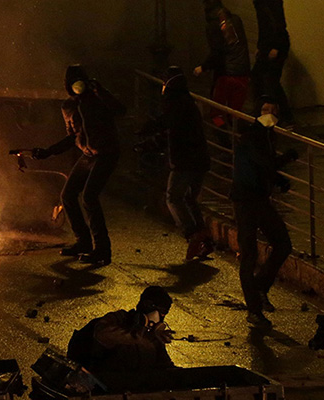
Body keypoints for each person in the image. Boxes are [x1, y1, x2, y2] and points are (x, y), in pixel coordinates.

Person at [32, 65, 126, 266]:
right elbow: (72, 137)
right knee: (67, 195)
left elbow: (121, 110)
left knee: (90, 197)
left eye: (81, 82)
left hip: (106, 153)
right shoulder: (68, 107)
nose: (78, 87)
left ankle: (102, 249)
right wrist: (49, 151)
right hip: (88, 155)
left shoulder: (98, 99)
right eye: (74, 83)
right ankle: (83, 242)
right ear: (68, 86)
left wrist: (101, 91)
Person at [231, 96, 295, 328]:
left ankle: (260, 288)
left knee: (283, 244)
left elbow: (264, 163)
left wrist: (279, 173)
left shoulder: (267, 135)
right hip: (246, 201)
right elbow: (261, 162)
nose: (267, 113)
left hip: (258, 199)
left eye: (272, 109)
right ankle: (254, 310)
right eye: (264, 109)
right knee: (248, 255)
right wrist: (281, 172)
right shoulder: (254, 134)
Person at [67, 286, 175, 391]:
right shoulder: (119, 320)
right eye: (159, 312)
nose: (158, 318)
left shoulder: (152, 338)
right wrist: (139, 330)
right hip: (99, 386)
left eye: (163, 314)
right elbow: (102, 335)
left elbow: (165, 366)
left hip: (131, 391)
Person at [157, 67, 214, 261]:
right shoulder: (187, 102)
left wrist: (150, 133)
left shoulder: (174, 104)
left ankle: (193, 234)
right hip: (199, 159)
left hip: (185, 161)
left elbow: (169, 127)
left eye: (164, 83)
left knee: (173, 197)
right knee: (189, 198)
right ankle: (205, 240)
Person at [194, 3, 251, 129]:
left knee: (216, 115)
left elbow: (217, 52)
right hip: (242, 73)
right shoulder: (236, 20)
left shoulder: (213, 25)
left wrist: (203, 67)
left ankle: (225, 141)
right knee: (235, 114)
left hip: (226, 74)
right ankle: (242, 140)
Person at [251, 0, 293, 124]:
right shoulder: (263, 4)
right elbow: (266, 25)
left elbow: (276, 23)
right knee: (266, 79)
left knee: (269, 80)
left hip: (274, 44)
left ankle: (282, 115)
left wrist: (276, 46)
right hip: (270, 44)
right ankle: (274, 113)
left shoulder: (268, 3)